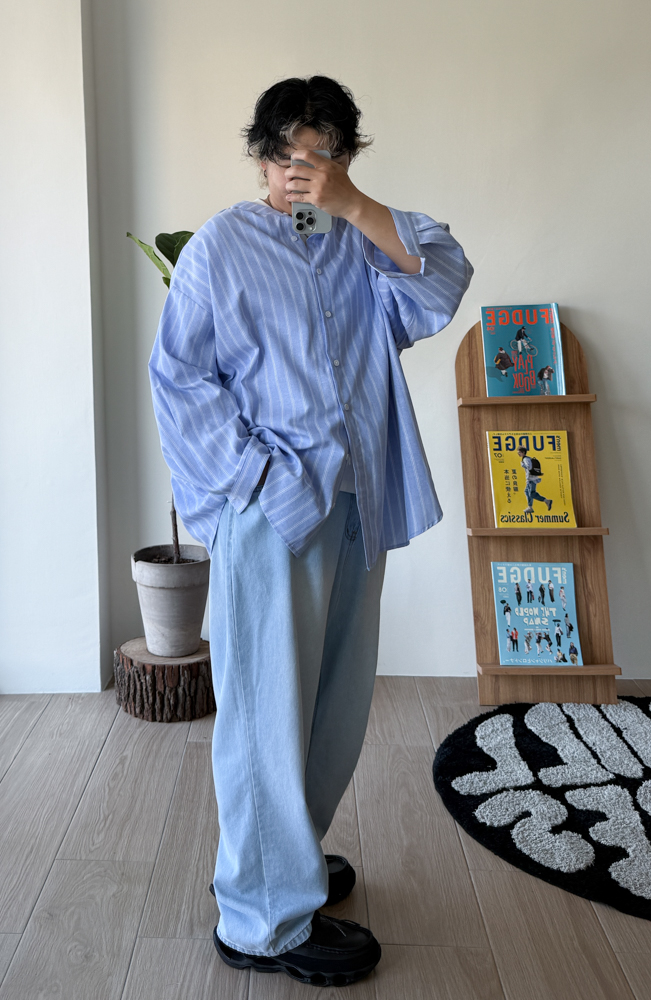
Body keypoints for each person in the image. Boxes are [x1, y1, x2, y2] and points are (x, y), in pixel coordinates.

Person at [148, 75, 472, 988]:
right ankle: (260, 919)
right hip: (272, 514)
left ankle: (286, 864)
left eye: (325, 153)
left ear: (346, 158)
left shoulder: (362, 242)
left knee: (336, 705)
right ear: (261, 158)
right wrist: (257, 481)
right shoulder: (221, 246)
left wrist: (355, 205)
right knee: (264, 711)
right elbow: (179, 379)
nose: (305, 170)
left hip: (359, 500)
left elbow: (444, 280)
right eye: (290, 153)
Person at [517, 445, 553, 515]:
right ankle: (530, 507)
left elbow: (529, 467)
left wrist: (523, 465)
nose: (518, 454)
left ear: (523, 452)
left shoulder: (525, 459)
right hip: (531, 479)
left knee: (532, 493)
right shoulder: (527, 458)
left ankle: (546, 501)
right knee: (526, 491)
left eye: (519, 452)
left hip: (531, 479)